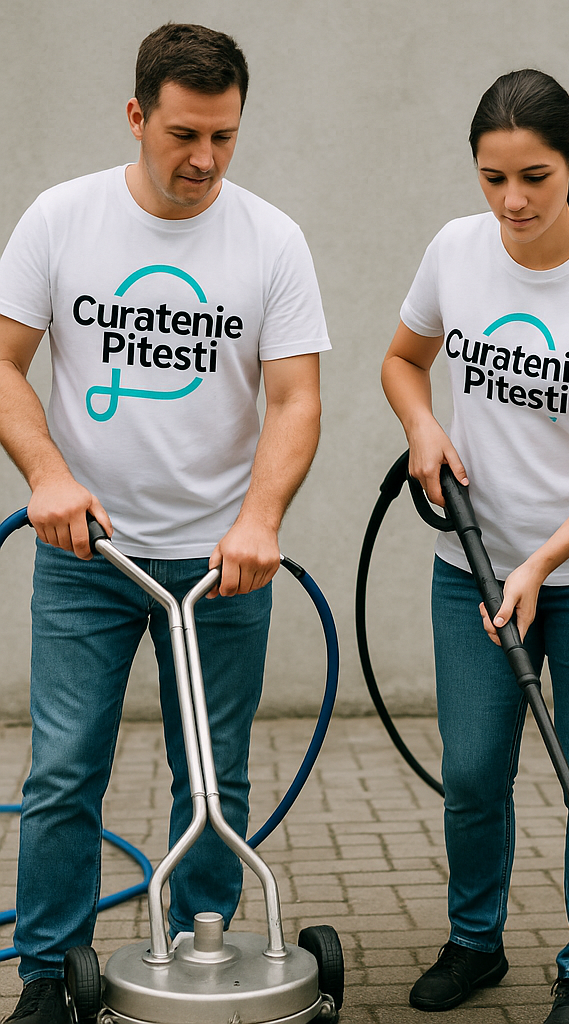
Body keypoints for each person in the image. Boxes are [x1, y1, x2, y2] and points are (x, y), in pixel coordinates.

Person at [0, 23, 329, 1024]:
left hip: (223, 563)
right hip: (88, 553)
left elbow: (297, 398)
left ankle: (202, 948)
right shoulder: (63, 219)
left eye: (224, 136)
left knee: (213, 773)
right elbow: (4, 361)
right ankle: (48, 976)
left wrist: (260, 518)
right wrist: (48, 475)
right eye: (184, 134)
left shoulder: (271, 240)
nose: (205, 160)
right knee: (65, 769)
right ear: (137, 116)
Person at [381, 69, 569, 1024]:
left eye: (535, 178)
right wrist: (422, 426)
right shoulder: (455, 250)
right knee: (473, 773)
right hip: (474, 569)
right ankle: (475, 941)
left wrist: (545, 561)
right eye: (493, 178)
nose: (512, 201)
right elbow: (402, 359)